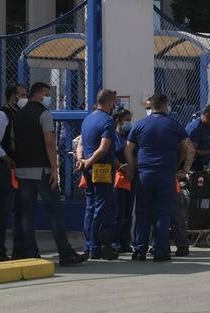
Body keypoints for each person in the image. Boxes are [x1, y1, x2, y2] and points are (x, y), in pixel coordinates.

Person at [10, 80, 86, 266]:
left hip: (22, 169)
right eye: (46, 93)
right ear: (37, 94)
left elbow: (13, 142)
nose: (48, 97)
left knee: (27, 213)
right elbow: (49, 143)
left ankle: (31, 254)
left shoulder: (18, 115)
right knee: (55, 211)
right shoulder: (44, 114)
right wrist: (54, 168)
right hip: (41, 169)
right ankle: (65, 253)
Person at [124, 93, 192, 262]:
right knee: (163, 213)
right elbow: (187, 148)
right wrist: (179, 166)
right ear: (165, 105)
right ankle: (161, 251)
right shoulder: (174, 125)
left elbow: (127, 149)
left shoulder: (140, 124)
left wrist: (133, 169)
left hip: (144, 174)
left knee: (142, 212)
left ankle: (140, 250)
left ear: (151, 106)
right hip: (165, 174)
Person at [76, 89, 119, 260]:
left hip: (87, 168)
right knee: (102, 206)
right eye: (114, 102)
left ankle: (89, 244)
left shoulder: (88, 119)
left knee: (90, 204)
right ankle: (96, 245)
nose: (115, 105)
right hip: (101, 168)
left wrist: (82, 160)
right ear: (109, 102)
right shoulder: (108, 121)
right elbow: (103, 149)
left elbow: (80, 143)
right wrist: (90, 161)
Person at [0, 83, 25, 262]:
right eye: (21, 95)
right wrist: (7, 158)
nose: (24, 98)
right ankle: (0, 250)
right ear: (12, 96)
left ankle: (19, 248)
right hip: (7, 167)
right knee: (4, 208)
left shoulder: (21, 114)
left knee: (20, 209)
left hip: (22, 167)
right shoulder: (2, 115)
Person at [111, 107, 135, 253]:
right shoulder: (113, 136)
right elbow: (110, 154)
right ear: (118, 121)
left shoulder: (130, 136)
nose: (129, 124)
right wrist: (121, 167)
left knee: (128, 212)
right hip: (118, 178)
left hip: (131, 178)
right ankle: (115, 241)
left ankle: (125, 242)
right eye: (126, 121)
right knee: (118, 212)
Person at [184, 105, 210, 170]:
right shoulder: (196, 128)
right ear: (207, 116)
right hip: (198, 159)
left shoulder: (209, 125)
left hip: (208, 154)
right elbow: (193, 152)